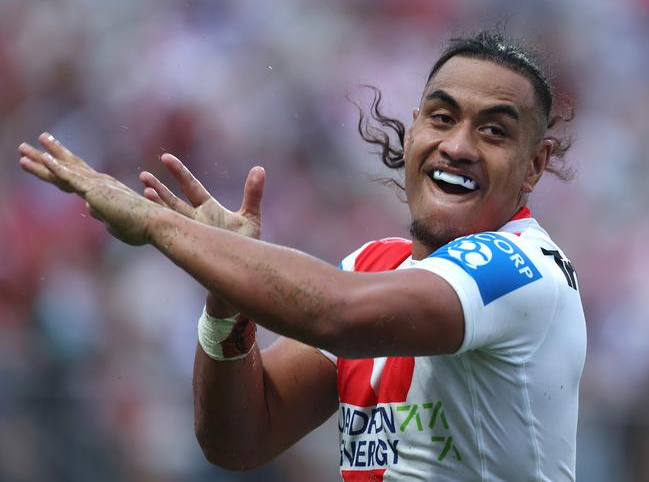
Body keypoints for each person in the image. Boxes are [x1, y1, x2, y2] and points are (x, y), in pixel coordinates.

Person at [18, 31, 586, 481]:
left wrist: (159, 226)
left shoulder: (521, 270)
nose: (457, 145)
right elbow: (239, 442)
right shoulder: (374, 266)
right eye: (441, 118)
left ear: (534, 165)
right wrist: (226, 299)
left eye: (493, 132)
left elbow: (339, 315)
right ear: (413, 131)